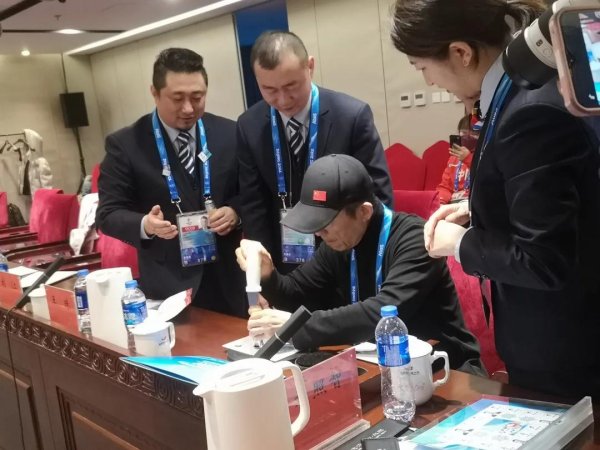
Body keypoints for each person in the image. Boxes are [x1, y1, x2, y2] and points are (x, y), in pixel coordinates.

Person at [392, 0, 600, 398]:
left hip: (566, 352)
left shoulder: (529, 110)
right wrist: (477, 208)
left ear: (461, 52)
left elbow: (544, 261)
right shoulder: (516, 92)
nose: (429, 82)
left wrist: (459, 243)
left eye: (422, 68)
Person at [236, 154, 484, 375]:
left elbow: (382, 312)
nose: (319, 232)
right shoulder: (338, 242)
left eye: (326, 222)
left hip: (444, 370)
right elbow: (295, 292)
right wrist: (268, 275)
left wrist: (297, 327)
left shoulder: (416, 239)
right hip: (380, 370)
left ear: (364, 212)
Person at [96, 48, 247, 317]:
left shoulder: (230, 133)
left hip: (230, 280)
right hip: (169, 285)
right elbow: (108, 214)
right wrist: (146, 224)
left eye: (197, 97)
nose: (188, 108)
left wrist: (235, 212)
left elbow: (251, 192)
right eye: (177, 98)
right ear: (154, 93)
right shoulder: (126, 144)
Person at [237, 31, 393, 273]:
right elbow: (254, 204)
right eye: (269, 89)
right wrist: (265, 272)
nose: (283, 100)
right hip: (286, 260)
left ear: (310, 66)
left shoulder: (351, 116)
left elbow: (377, 195)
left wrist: (366, 259)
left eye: (291, 86)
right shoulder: (249, 125)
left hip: (345, 256)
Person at [436, 115, 478, 205]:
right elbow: (445, 187)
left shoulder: (484, 155)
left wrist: (468, 158)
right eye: (464, 132)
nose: (468, 136)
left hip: (473, 203)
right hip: (453, 203)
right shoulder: (453, 158)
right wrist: (441, 201)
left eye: (474, 133)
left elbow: (485, 177)